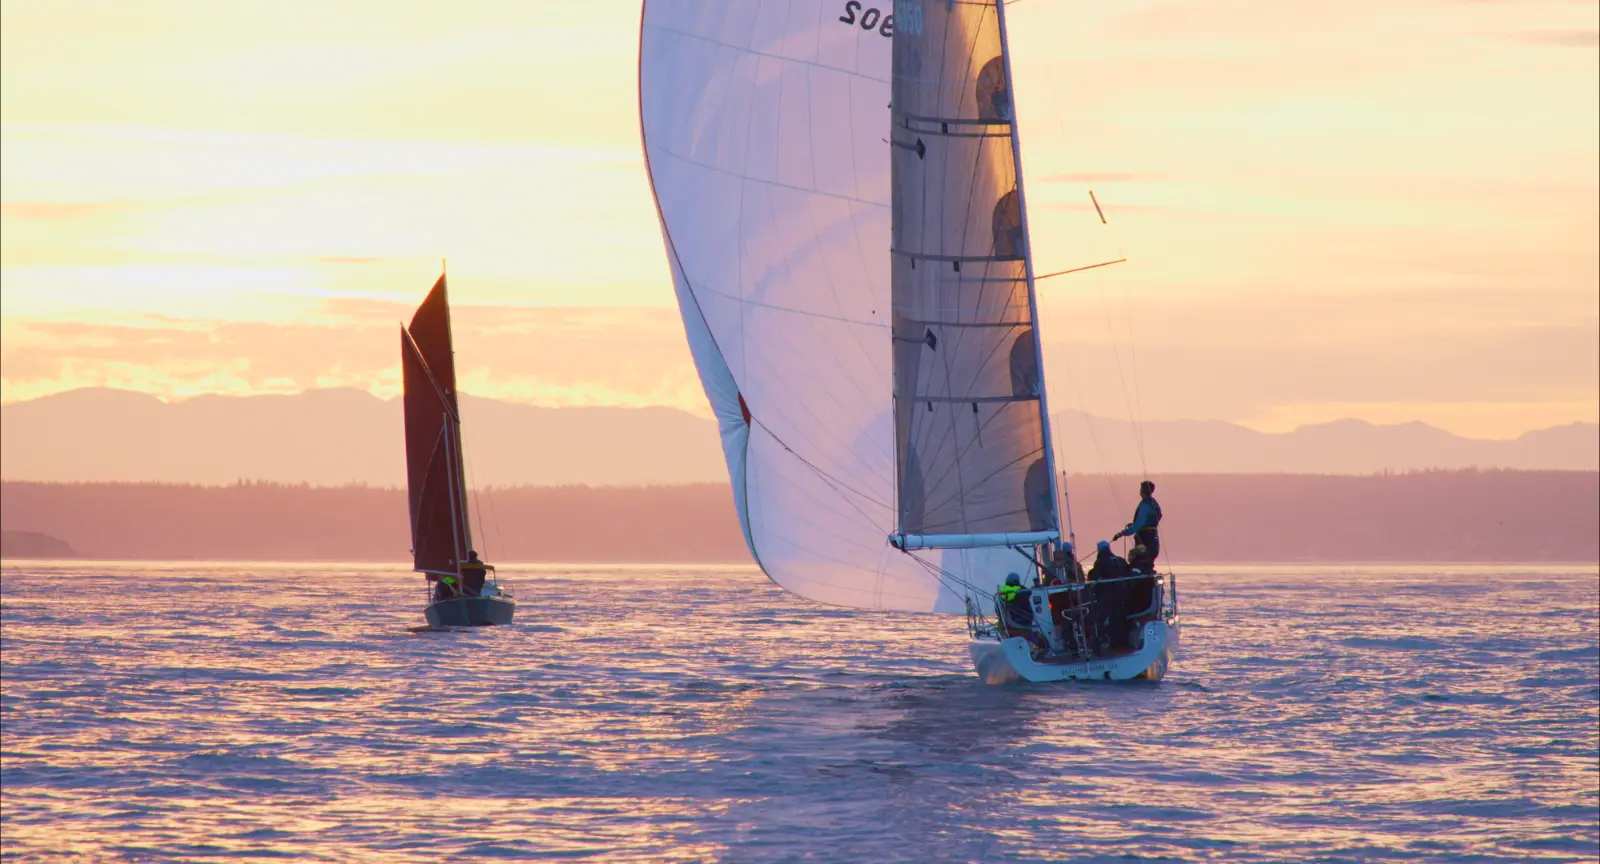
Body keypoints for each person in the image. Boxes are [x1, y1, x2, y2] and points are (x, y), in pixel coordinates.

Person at [1112, 480, 1162, 565]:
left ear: (1142, 491)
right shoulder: (1154, 503)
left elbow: (1138, 525)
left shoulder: (1145, 505)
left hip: (1145, 540)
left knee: (1139, 562)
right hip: (1154, 538)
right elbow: (1151, 520)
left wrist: (1122, 533)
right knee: (1148, 563)